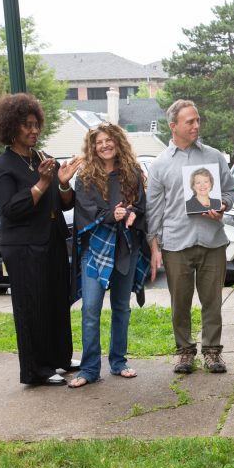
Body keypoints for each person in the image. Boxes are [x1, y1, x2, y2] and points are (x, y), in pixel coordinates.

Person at [0, 93, 82, 385]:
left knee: (57, 301)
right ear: (10, 127)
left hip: (52, 240)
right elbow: (11, 208)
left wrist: (63, 184)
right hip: (23, 246)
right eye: (26, 125)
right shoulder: (3, 165)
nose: (34, 130)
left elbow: (65, 203)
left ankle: (60, 358)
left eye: (36, 124)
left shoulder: (42, 158)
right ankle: (37, 369)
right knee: (33, 306)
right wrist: (42, 183)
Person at [146, 99, 234, 374]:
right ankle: (185, 353)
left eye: (197, 120)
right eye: (190, 122)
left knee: (212, 302)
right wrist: (154, 246)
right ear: (173, 126)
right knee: (180, 304)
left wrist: (223, 205)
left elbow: (231, 190)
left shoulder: (214, 156)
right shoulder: (160, 164)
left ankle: (212, 352)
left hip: (212, 241)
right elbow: (154, 208)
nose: (197, 125)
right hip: (176, 244)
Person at [68, 123, 150, 388]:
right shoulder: (85, 176)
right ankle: (89, 368)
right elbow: (84, 210)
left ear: (118, 142)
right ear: (93, 148)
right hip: (95, 250)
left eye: (108, 140)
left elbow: (141, 205)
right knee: (90, 309)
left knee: (121, 308)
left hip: (126, 248)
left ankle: (118, 361)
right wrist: (110, 216)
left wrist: (132, 213)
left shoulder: (132, 172)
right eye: (98, 142)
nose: (104, 145)